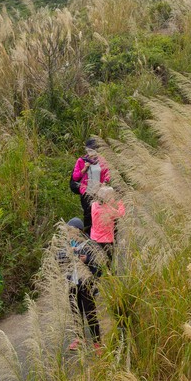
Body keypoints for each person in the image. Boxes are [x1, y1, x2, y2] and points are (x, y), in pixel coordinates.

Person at [60, 217, 103, 350]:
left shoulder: (89, 244)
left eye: (72, 231)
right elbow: (59, 260)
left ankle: (97, 343)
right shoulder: (67, 244)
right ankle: (79, 338)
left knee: (90, 314)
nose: (69, 233)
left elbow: (100, 268)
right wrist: (67, 255)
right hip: (72, 284)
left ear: (79, 231)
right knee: (76, 312)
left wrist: (88, 260)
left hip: (86, 284)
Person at [71, 138, 110, 234]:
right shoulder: (81, 161)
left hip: (98, 193)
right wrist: (85, 168)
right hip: (86, 192)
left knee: (98, 215)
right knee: (88, 215)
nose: (91, 153)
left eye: (93, 150)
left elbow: (108, 174)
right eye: (89, 150)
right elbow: (75, 177)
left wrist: (104, 183)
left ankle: (97, 237)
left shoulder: (102, 161)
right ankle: (88, 236)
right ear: (86, 150)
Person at [90, 185, 124, 265]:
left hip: (95, 238)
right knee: (108, 262)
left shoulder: (94, 205)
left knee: (98, 262)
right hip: (107, 240)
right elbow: (121, 214)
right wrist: (120, 203)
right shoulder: (108, 210)